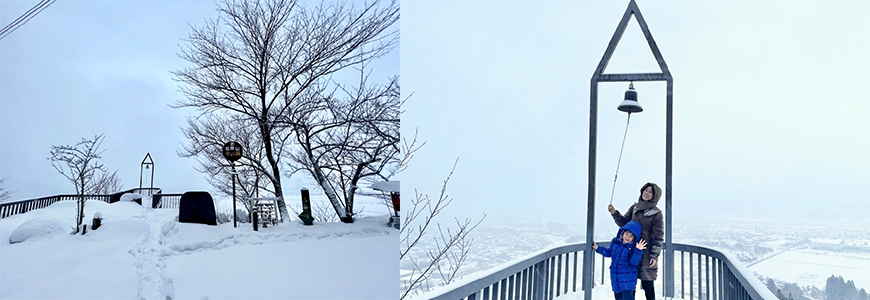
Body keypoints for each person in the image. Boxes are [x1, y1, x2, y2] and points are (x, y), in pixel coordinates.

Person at [608, 182, 664, 300]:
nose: (647, 193)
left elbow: (658, 237)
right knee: (629, 284)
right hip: (630, 250)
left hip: (646, 253)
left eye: (650, 192)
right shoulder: (635, 208)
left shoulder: (656, 213)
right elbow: (624, 223)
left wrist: (653, 255)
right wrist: (614, 213)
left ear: (655, 196)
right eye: (645, 190)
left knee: (647, 284)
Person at [593, 220, 647, 300]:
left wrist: (638, 250)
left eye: (631, 236)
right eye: (626, 234)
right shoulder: (615, 242)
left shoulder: (634, 248)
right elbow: (609, 252)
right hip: (616, 279)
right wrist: (598, 248)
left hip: (628, 281)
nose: (627, 237)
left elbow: (634, 262)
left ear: (634, 238)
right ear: (622, 232)